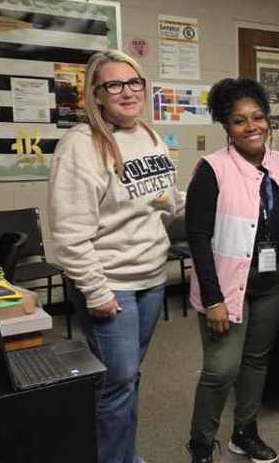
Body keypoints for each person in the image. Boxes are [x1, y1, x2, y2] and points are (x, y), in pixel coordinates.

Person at [49, 49, 182, 463]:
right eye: (114, 85)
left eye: (134, 82)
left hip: (150, 278)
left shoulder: (148, 135)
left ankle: (126, 455)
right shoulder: (81, 145)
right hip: (111, 285)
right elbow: (70, 235)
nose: (127, 92)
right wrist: (96, 291)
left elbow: (164, 198)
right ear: (97, 94)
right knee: (117, 381)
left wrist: (191, 201)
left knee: (127, 378)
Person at [184, 78, 279, 463]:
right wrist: (213, 298)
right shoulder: (212, 169)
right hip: (227, 286)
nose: (251, 127)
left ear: (268, 120)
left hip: (273, 281)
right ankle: (200, 445)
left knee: (256, 361)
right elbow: (197, 237)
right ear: (225, 127)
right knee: (220, 369)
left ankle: (245, 432)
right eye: (239, 121)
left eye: (258, 117)